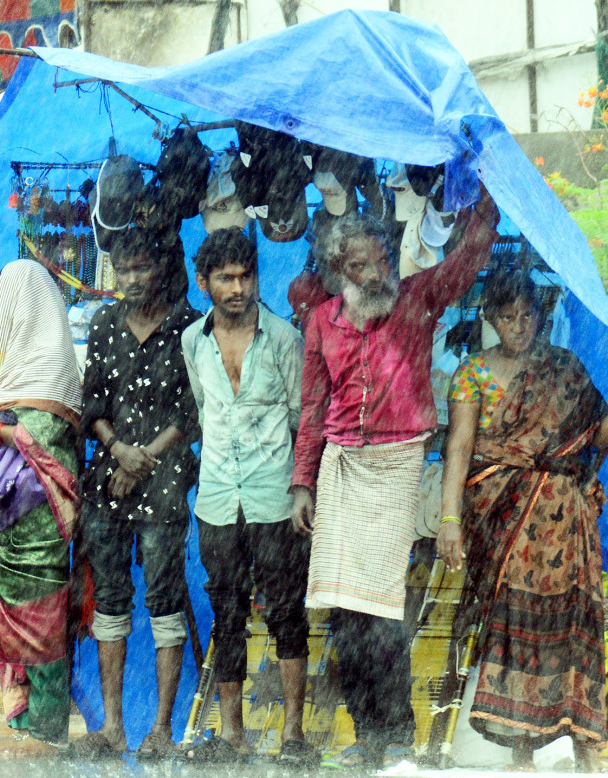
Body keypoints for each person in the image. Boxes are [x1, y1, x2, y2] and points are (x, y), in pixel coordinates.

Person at [291, 188, 499, 769]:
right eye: (362, 264)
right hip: (341, 469)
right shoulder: (320, 321)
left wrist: (476, 193)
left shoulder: (417, 300)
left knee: (382, 613)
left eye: (383, 258)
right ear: (339, 271)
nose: (379, 270)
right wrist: (303, 484)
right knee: (342, 613)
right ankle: (365, 734)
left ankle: (396, 737)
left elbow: (469, 255)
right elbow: (312, 408)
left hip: (396, 465)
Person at [435, 271, 608, 771]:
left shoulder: (564, 368)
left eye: (527, 315)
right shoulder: (473, 373)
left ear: (540, 317)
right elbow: (459, 447)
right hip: (501, 517)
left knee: (570, 626)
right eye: (507, 317)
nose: (518, 326)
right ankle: (520, 749)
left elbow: (596, 437)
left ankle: (583, 744)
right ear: (490, 318)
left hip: (566, 524)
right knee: (515, 625)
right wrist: (450, 519)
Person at [180, 229, 313, 764]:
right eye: (226, 278)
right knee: (226, 612)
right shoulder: (194, 341)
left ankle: (293, 734)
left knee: (287, 611)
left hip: (274, 496)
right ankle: (233, 736)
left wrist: (303, 486)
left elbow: (305, 419)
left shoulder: (283, 339)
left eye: (246, 276)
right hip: (215, 499)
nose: (238, 288)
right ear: (204, 282)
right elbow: (202, 409)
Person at [71, 228, 200, 759]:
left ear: (163, 269)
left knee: (166, 603)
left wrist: (142, 457)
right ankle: (114, 728)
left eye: (141, 269)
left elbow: (191, 412)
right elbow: (92, 403)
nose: (130, 280)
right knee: (110, 601)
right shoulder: (103, 324)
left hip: (164, 483)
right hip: (109, 482)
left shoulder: (190, 328)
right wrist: (117, 448)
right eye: (122, 271)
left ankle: (162, 732)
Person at [0, 259, 84, 748]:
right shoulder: (17, 361)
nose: (0, 310)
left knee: (42, 627)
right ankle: (26, 726)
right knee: (10, 622)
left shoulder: (51, 365)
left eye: (6, 301)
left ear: (29, 304)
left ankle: (49, 730)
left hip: (38, 522)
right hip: (4, 524)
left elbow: (37, 438)